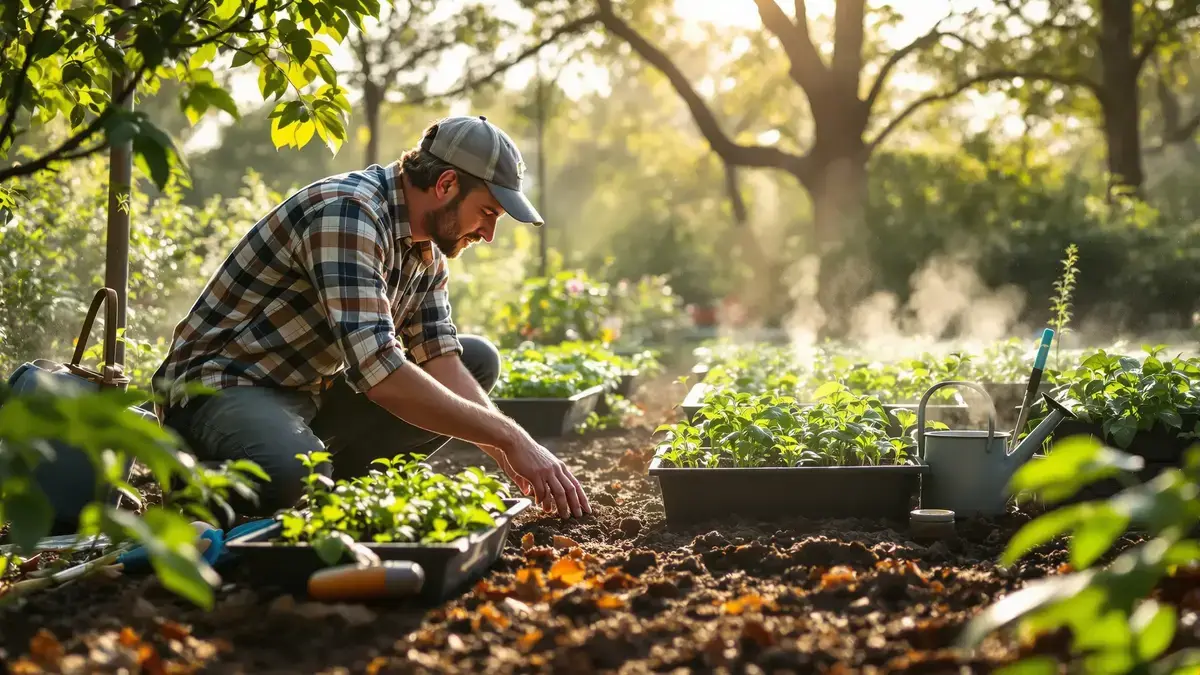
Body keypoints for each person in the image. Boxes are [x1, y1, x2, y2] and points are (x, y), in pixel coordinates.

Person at [150, 115, 590, 521]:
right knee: (294, 475)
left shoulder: (426, 251)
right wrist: (512, 438)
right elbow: (382, 376)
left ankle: (340, 493)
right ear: (446, 184)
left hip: (307, 393)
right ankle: (192, 480)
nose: (489, 234)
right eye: (488, 212)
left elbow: (440, 358)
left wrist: (507, 450)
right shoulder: (349, 213)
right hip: (221, 390)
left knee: (476, 359)